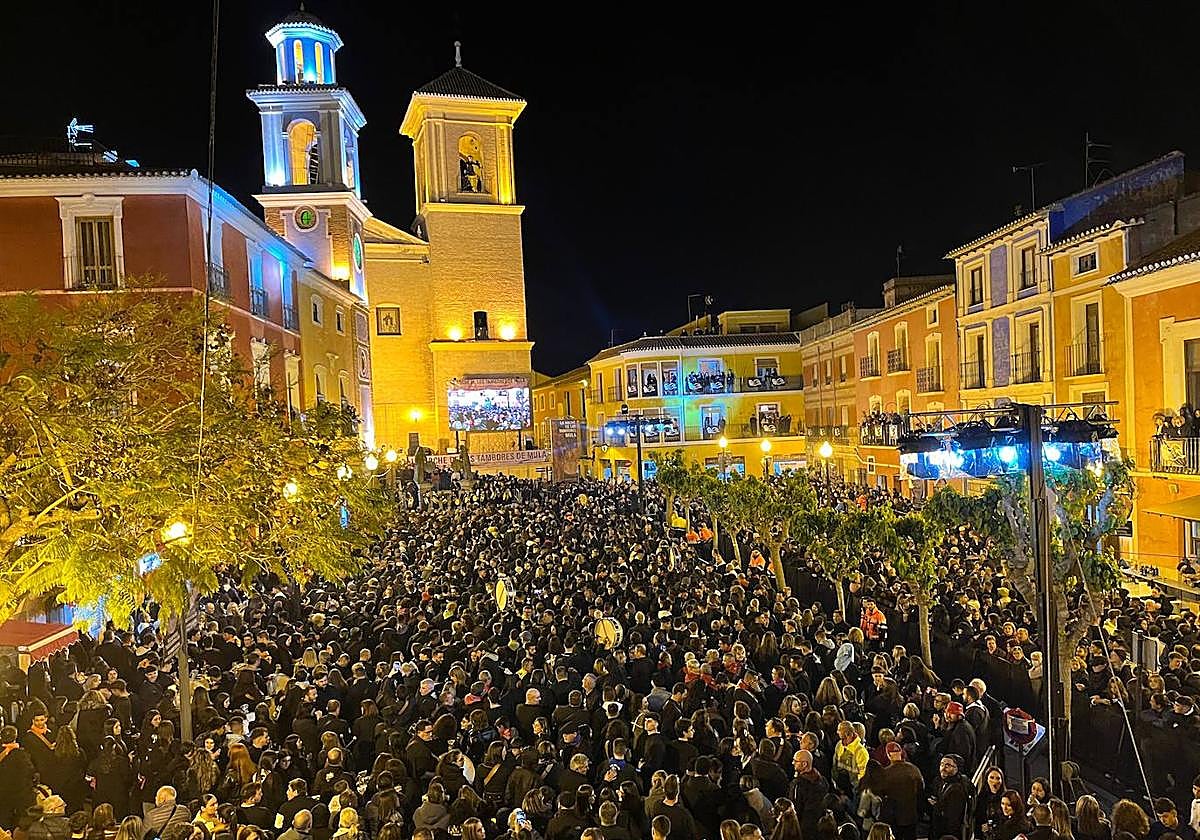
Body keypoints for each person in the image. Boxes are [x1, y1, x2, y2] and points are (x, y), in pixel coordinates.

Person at [0, 724, 36, 829]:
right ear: (15, 737)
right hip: (18, 793)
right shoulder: (21, 754)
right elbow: (30, 771)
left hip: (2, 793)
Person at [928, 755, 970, 840]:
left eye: (948, 765)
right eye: (942, 764)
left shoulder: (957, 789)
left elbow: (953, 818)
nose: (943, 768)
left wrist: (936, 805)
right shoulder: (940, 782)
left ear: (957, 768)